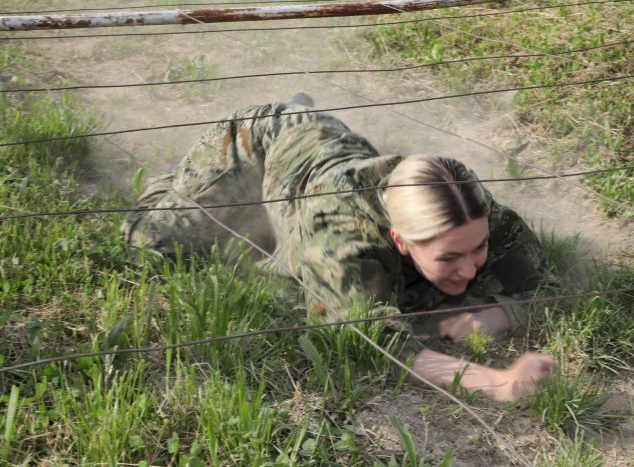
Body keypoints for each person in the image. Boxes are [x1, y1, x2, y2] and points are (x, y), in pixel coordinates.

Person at [122, 93, 556, 401]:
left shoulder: (464, 205)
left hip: (331, 144)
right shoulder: (342, 238)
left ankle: (300, 112)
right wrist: (496, 383)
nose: (469, 268)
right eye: (449, 257)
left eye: (477, 249)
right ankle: (180, 177)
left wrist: (495, 312)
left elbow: (540, 276)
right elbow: (376, 344)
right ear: (399, 240)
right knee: (150, 240)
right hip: (261, 143)